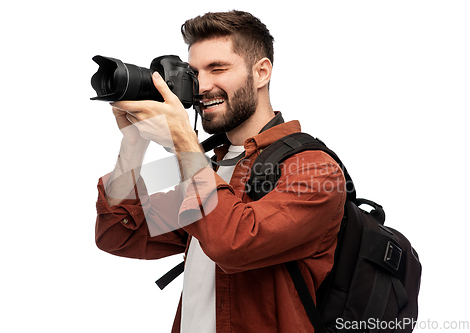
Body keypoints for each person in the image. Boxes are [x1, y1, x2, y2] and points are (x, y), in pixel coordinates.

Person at [95, 10, 346, 333]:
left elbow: (232, 242)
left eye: (218, 69)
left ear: (261, 73)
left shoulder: (314, 170)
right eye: (195, 73)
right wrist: (133, 143)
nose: (202, 86)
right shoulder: (210, 165)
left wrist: (184, 141)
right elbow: (118, 233)